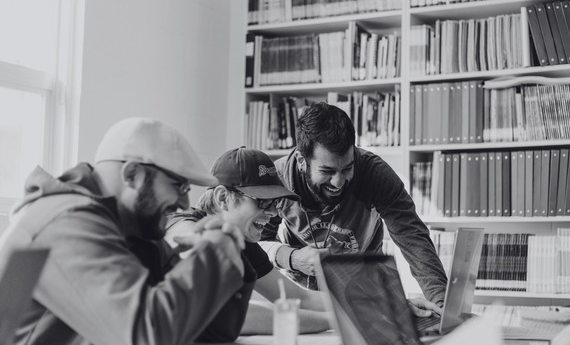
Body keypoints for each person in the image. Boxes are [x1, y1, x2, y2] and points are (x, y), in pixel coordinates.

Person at [0, 117, 254, 345]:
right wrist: (214, 255)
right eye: (179, 186)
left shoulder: (133, 228)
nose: (185, 204)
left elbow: (211, 333)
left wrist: (226, 250)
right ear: (132, 174)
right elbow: (147, 335)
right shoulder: (64, 223)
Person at [259, 102, 448, 313]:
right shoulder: (277, 179)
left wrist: (442, 306)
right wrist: (292, 258)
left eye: (347, 168)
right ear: (303, 161)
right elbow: (258, 243)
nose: (338, 182)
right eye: (327, 171)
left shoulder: (374, 173)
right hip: (303, 298)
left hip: (365, 294)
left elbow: (412, 237)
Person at [164, 146, 331, 335]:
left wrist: (360, 303)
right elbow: (224, 313)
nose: (273, 213)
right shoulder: (184, 227)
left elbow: (299, 298)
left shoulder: (242, 241)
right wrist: (334, 321)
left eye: (275, 203)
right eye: (262, 201)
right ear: (223, 198)